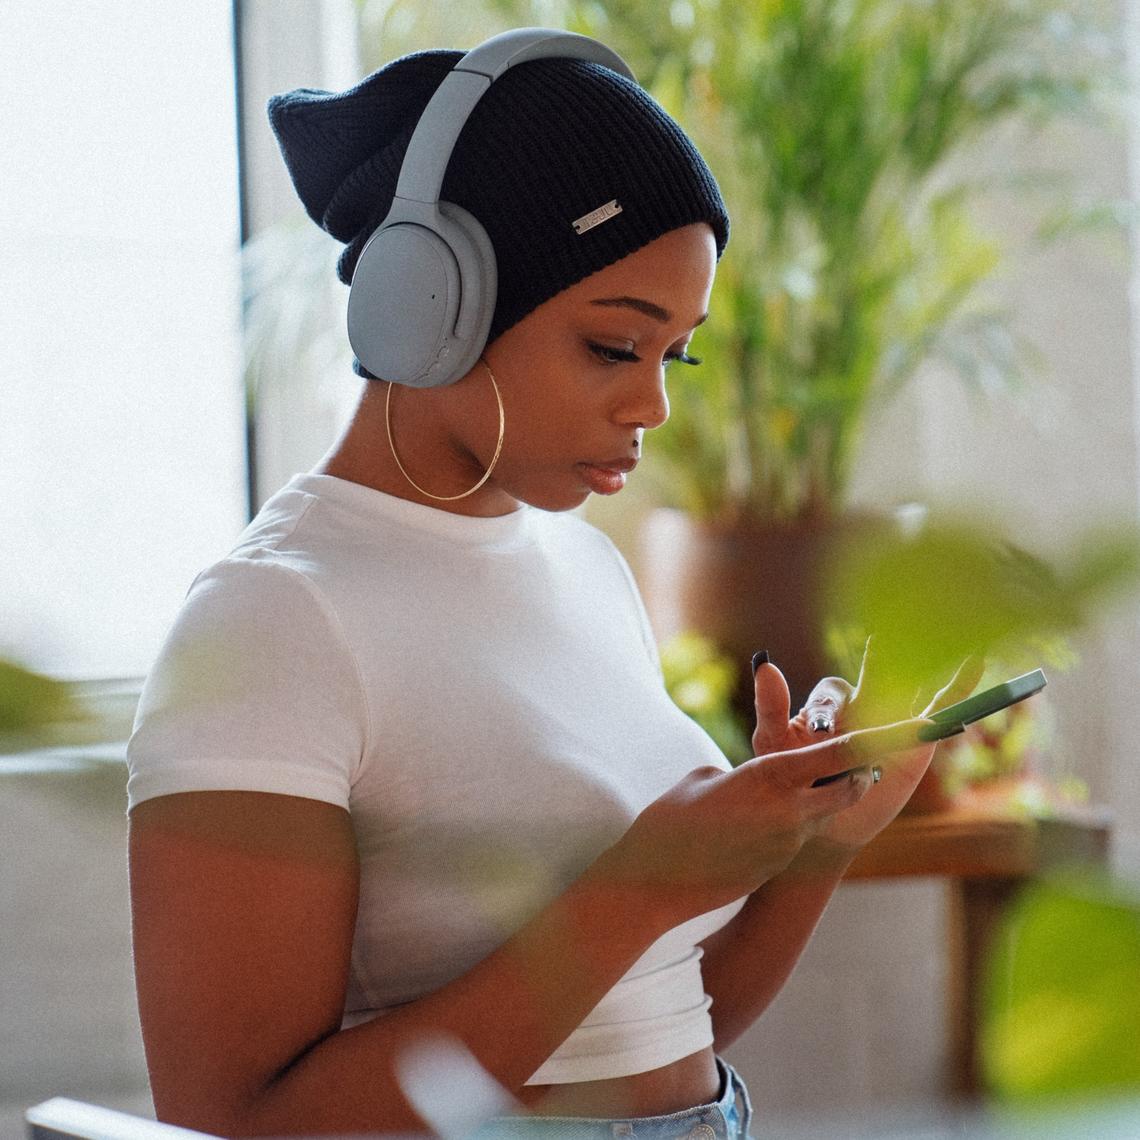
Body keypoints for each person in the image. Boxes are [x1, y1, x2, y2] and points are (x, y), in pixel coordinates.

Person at [126, 28, 973, 1139]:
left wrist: (823, 846)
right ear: (431, 306)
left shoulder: (582, 566)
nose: (654, 406)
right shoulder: (275, 618)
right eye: (616, 347)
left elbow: (671, 1025)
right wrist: (650, 882)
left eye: (678, 353)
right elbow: (233, 1121)